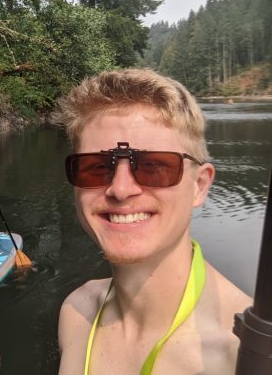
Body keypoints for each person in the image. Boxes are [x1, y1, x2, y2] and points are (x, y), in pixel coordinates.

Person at [56, 69, 252, 375]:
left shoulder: (244, 352)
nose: (120, 190)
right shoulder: (76, 312)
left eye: (154, 167)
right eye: (95, 167)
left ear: (200, 185)